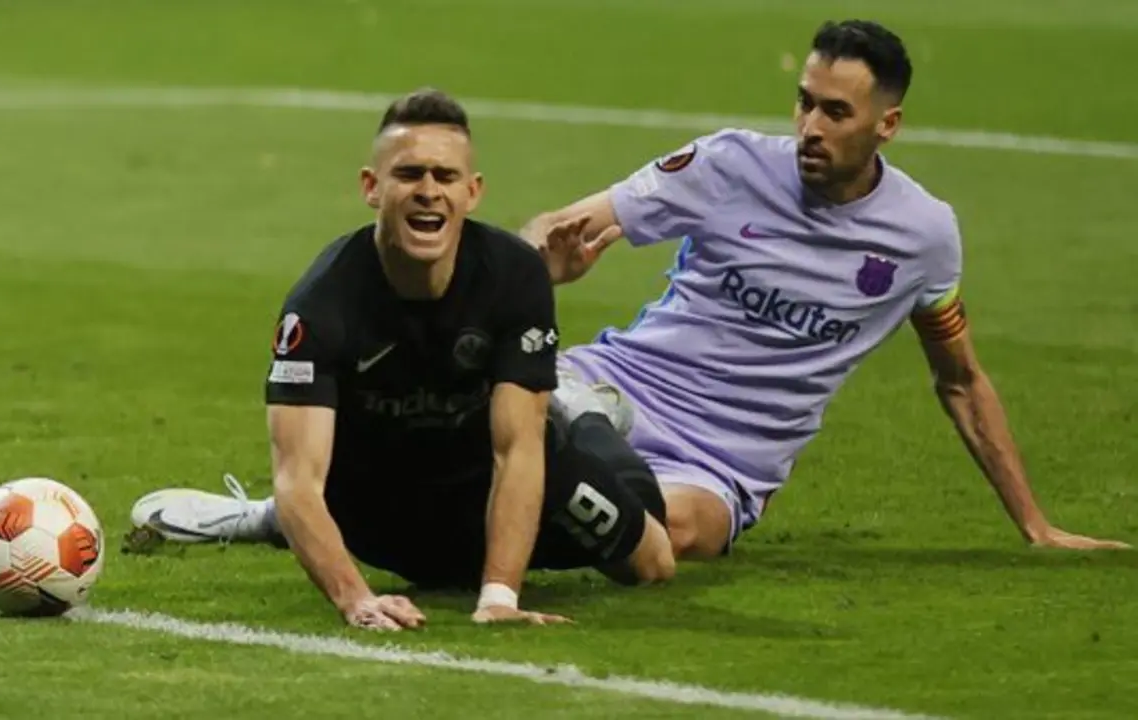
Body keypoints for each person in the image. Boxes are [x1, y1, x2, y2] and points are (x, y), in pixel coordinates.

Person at [520, 19, 1131, 560]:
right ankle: (550, 463)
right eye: (804, 103)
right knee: (490, 412)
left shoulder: (923, 236)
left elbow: (962, 381)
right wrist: (541, 265)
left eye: (836, 112)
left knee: (669, 532)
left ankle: (547, 478)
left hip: (722, 462)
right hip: (622, 383)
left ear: (886, 125)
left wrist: (1036, 525)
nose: (810, 127)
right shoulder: (727, 166)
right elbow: (554, 231)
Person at [127, 88, 676, 631]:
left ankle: (582, 411)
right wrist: (356, 600)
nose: (428, 192)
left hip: (488, 475)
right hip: (381, 506)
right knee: (346, 526)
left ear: (473, 192)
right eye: (409, 175)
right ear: (372, 187)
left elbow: (518, 450)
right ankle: (271, 519)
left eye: (445, 176)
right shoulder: (320, 305)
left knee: (653, 562)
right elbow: (299, 480)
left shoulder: (514, 276)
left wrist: (500, 596)